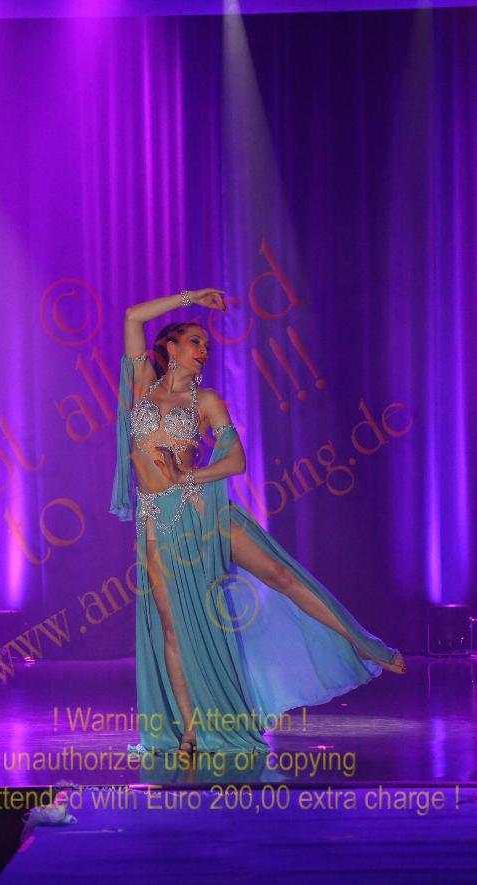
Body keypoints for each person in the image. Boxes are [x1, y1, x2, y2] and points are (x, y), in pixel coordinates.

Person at [110, 288, 406, 757]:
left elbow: (236, 461)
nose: (203, 350)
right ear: (170, 347)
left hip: (201, 512)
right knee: (171, 627)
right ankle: (191, 730)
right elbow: (132, 315)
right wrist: (191, 297)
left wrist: (189, 475)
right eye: (194, 341)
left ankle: (361, 643)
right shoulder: (142, 385)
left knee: (281, 575)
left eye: (207, 345)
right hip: (155, 522)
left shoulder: (207, 401)